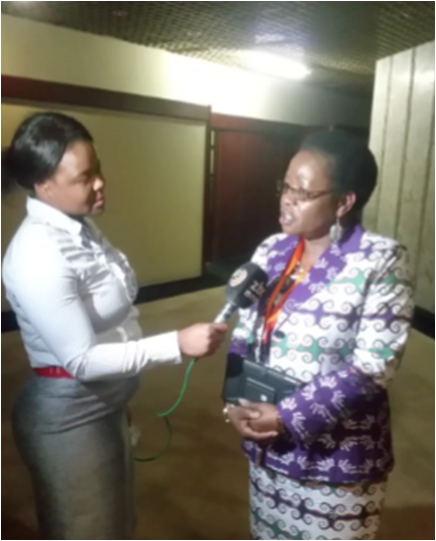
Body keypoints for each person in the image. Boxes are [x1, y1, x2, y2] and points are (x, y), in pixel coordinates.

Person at [1, 111, 228, 540]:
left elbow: (110, 322)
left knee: (118, 524)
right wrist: (176, 343)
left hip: (104, 400)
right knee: (87, 530)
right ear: (44, 185)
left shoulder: (78, 227)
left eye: (98, 169)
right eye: (85, 178)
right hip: (68, 414)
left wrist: (119, 392)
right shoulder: (37, 254)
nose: (100, 183)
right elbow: (82, 361)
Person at [224, 130, 414, 540]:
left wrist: (287, 416)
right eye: (285, 186)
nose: (287, 200)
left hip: (336, 462)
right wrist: (235, 402)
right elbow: (244, 333)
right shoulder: (272, 250)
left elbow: (373, 367)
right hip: (267, 449)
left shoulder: (380, 260)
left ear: (344, 202)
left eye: (304, 192)